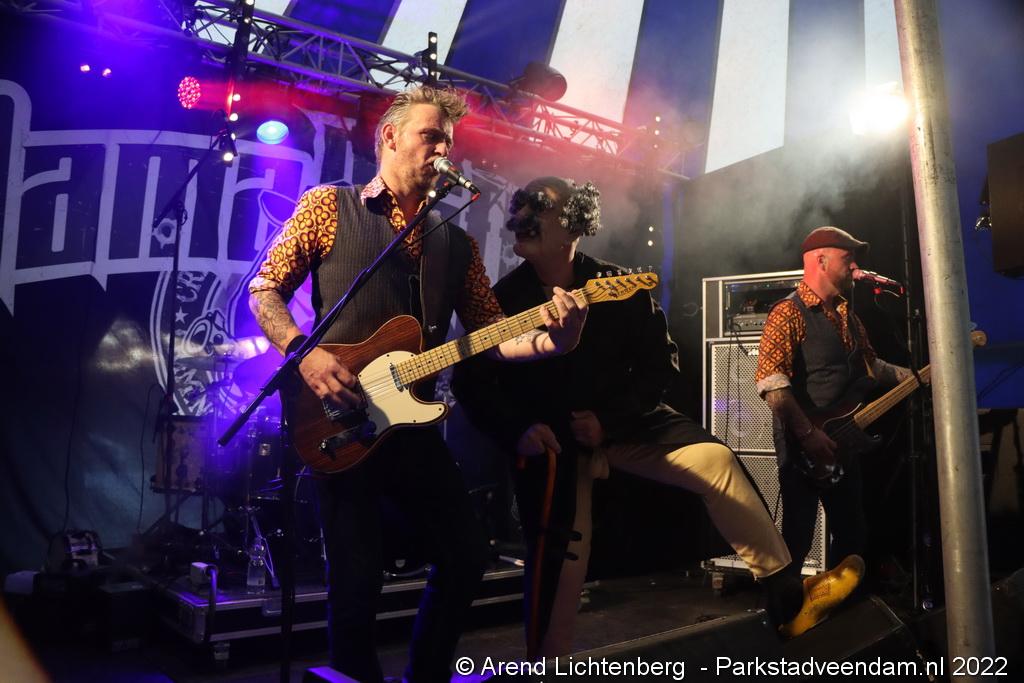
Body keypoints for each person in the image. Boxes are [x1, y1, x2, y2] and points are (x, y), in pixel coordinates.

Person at [247, 87, 588, 682]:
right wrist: (304, 355)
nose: (443, 150)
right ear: (390, 137)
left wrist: (557, 341)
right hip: (340, 420)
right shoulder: (330, 206)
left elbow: (493, 336)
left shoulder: (456, 241)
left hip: (412, 422)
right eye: (431, 136)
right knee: (355, 582)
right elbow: (264, 290)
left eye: (448, 142)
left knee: (466, 554)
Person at [451, 178, 861, 657]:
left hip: (621, 426)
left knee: (716, 461)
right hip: (554, 446)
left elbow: (661, 365)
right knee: (564, 564)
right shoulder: (502, 297)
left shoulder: (616, 285)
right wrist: (517, 429)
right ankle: (548, 664)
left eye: (538, 207)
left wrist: (609, 422)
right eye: (519, 204)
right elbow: (470, 382)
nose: (519, 216)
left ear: (573, 226)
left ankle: (787, 597)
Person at [756, 226, 916, 636]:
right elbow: (772, 384)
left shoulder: (848, 314)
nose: (855, 266)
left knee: (852, 536)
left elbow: (873, 367)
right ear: (821, 260)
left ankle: (840, 625)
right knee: (796, 538)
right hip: (804, 445)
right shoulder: (787, 312)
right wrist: (809, 435)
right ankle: (779, 628)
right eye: (848, 258)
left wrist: (918, 376)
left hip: (844, 444)